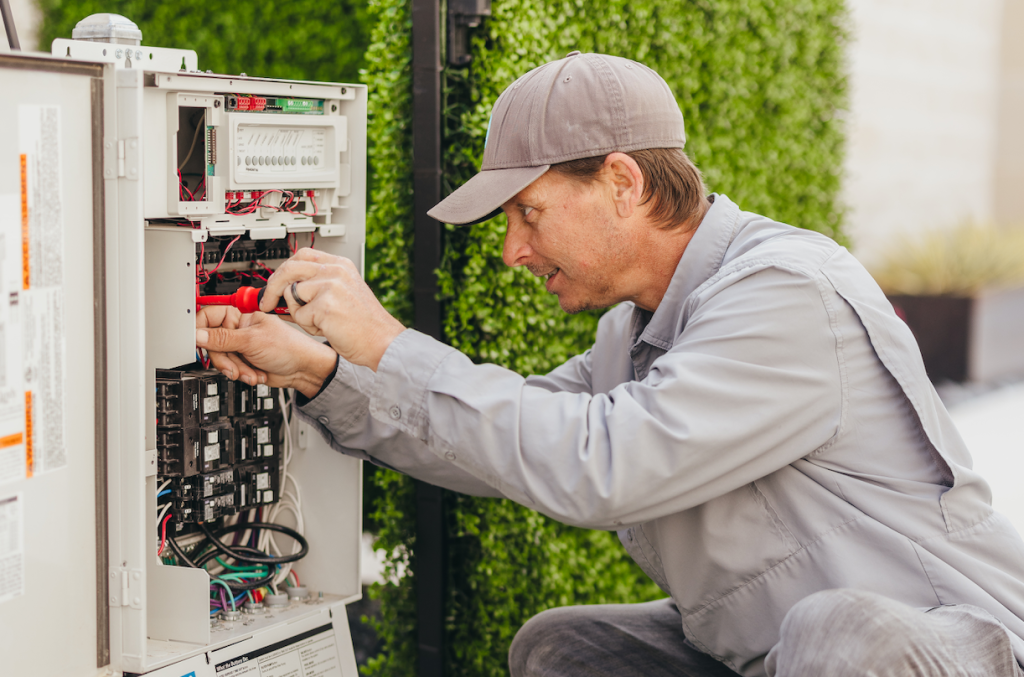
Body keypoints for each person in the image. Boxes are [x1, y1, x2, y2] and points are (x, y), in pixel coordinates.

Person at [195, 52, 1024, 677]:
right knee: (564, 648)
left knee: (839, 629)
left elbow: (603, 465)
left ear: (622, 182)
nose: (516, 250)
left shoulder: (786, 291)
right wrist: (318, 373)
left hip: (949, 644)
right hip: (774, 653)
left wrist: (384, 340)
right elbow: (505, 437)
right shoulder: (637, 330)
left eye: (530, 213)